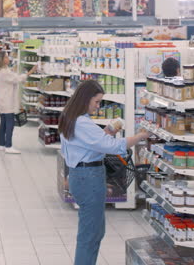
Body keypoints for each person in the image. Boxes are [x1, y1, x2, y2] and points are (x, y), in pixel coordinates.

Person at [59, 80, 150, 265]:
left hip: (82, 176)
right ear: (85, 99)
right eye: (97, 102)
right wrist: (140, 137)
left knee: (94, 231)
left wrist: (106, 132)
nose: (98, 106)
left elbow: (90, 144)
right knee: (90, 234)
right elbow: (113, 146)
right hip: (88, 178)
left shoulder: (71, 117)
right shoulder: (82, 123)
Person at [0, 51, 37, 154]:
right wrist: (31, 71)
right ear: (2, 60)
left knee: (3, 122)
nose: (8, 58)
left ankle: (2, 144)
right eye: (7, 57)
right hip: (7, 101)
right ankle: (9, 146)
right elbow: (17, 79)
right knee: (10, 123)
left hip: (3, 100)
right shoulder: (4, 72)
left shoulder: (2, 70)